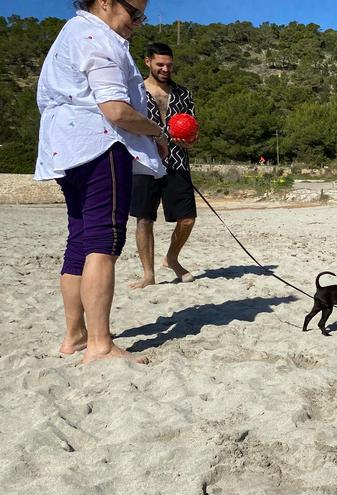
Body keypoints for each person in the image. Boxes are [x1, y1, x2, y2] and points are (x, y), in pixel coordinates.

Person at [34, 0, 167, 363]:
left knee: (79, 239)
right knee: (103, 242)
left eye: (143, 16)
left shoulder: (72, 32)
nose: (138, 23)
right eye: (134, 13)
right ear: (106, 1)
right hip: (99, 145)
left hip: (67, 148)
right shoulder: (98, 37)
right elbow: (115, 109)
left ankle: (75, 335)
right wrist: (158, 133)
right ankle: (100, 344)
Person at [129, 41, 199, 288]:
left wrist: (189, 141)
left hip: (177, 162)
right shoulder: (133, 91)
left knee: (188, 218)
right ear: (148, 62)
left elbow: (193, 131)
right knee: (144, 218)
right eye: (160, 64)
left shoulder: (184, 94)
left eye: (169, 65)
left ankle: (171, 258)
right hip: (144, 162)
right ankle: (148, 274)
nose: (165, 69)